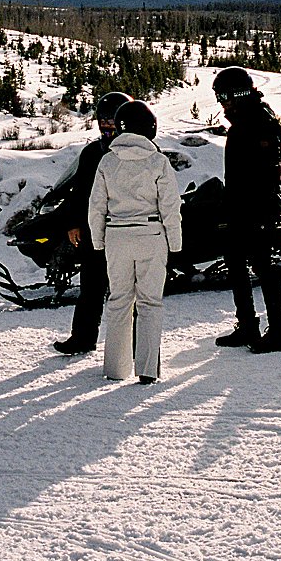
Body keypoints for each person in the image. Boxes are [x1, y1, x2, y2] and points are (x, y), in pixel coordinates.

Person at [87, 100, 182, 384]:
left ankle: (115, 369)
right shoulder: (158, 161)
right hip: (151, 235)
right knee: (150, 303)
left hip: (117, 235)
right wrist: (175, 244)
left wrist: (98, 241)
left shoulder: (107, 160)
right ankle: (147, 370)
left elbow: (96, 206)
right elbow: (170, 207)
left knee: (119, 301)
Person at [212, 67, 281, 354]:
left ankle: (279, 330)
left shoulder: (256, 122)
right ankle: (247, 324)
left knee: (262, 265)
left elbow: (259, 171)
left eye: (224, 96)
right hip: (242, 205)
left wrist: (250, 204)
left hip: (257, 206)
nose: (222, 103)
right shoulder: (248, 120)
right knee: (235, 262)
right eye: (219, 96)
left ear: (239, 94)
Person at [52, 91, 133, 356]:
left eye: (112, 119)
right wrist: (73, 223)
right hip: (93, 229)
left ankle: (131, 343)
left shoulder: (136, 152)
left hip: (125, 228)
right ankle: (83, 337)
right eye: (103, 118)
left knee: (126, 289)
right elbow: (78, 192)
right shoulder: (91, 152)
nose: (106, 124)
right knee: (91, 288)